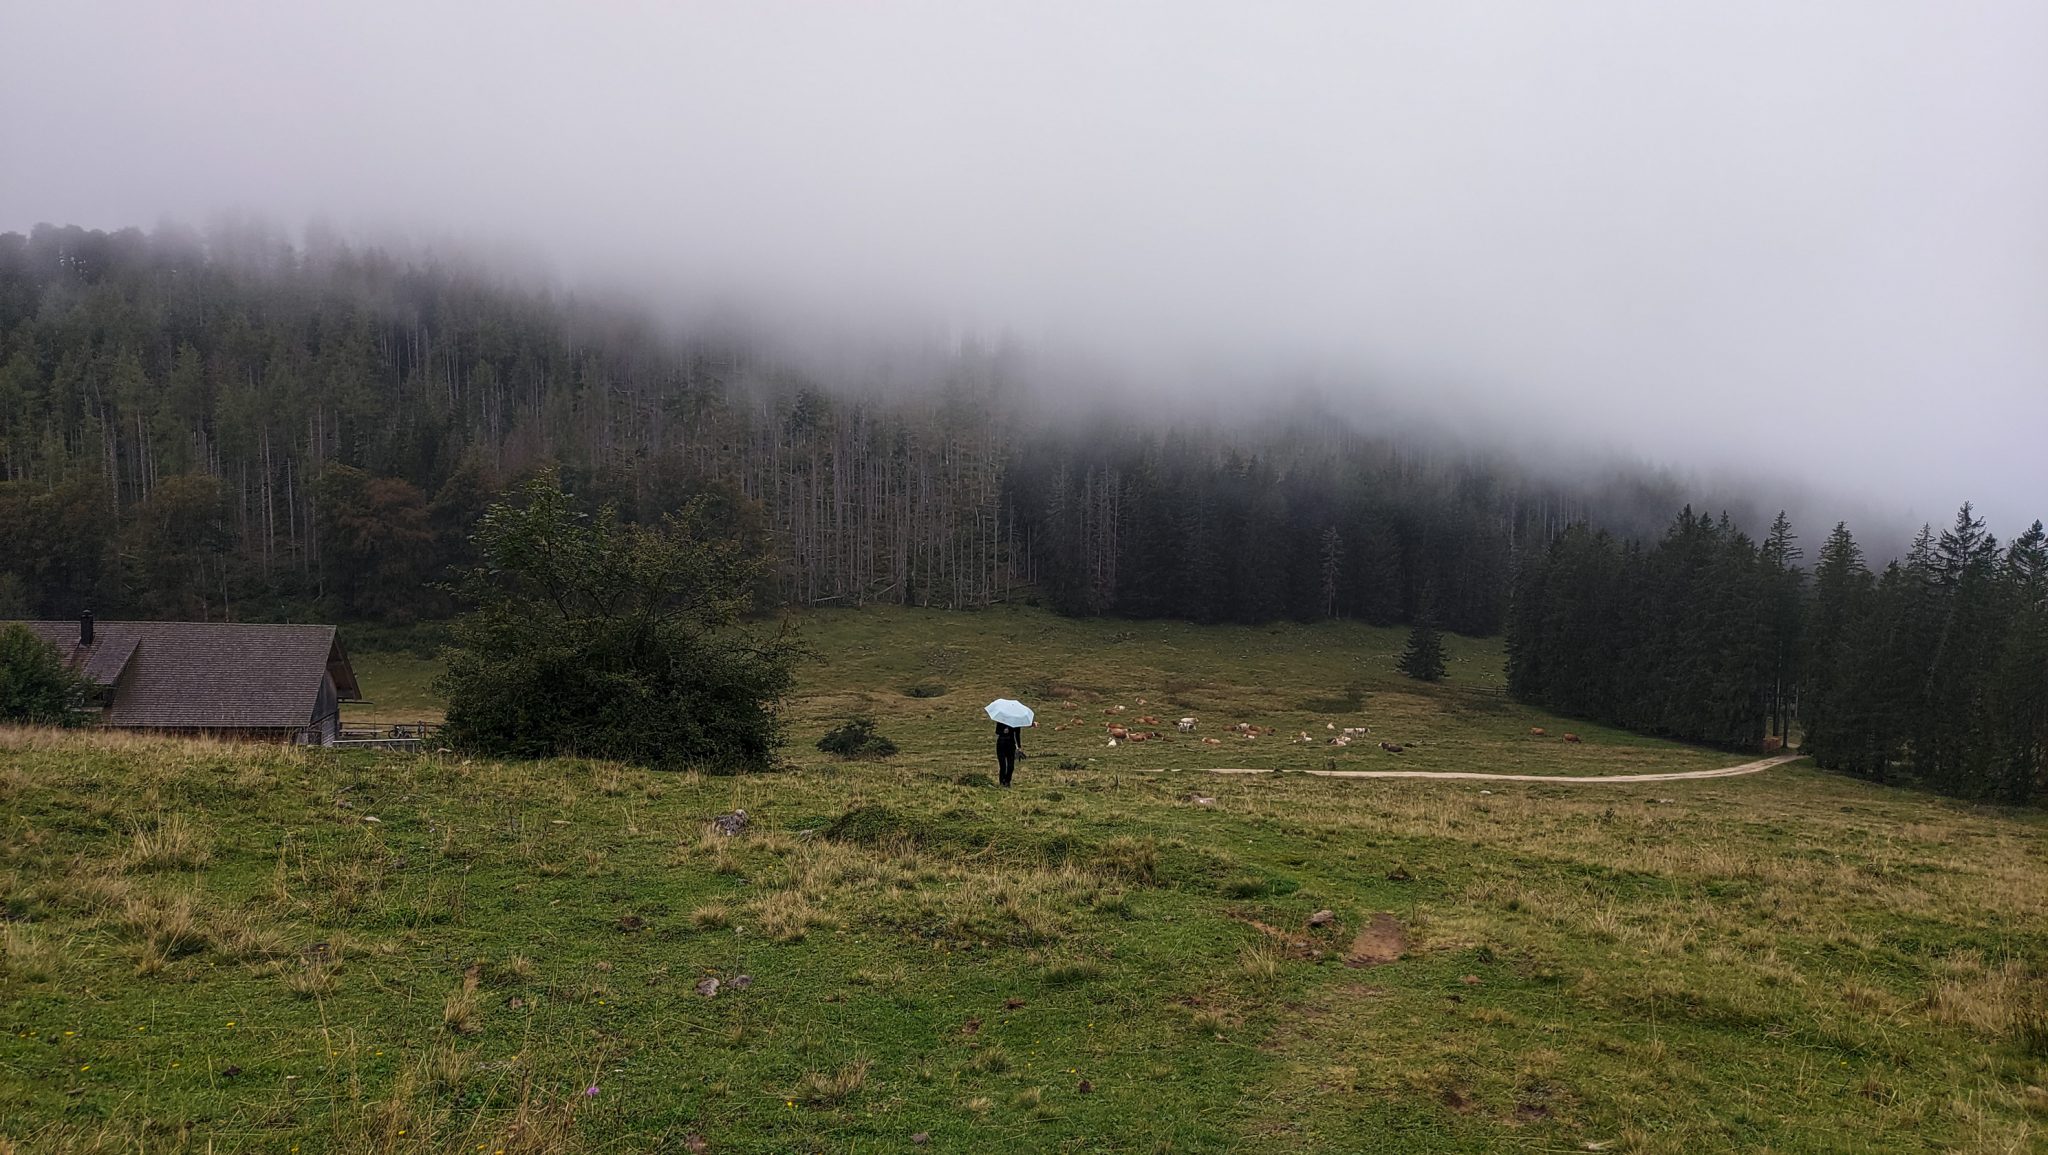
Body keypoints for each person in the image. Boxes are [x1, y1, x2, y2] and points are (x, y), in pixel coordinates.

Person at [995, 720, 1022, 787]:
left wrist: (1019, 747)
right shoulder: (1001, 721)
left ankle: (1007, 781)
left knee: (1011, 766)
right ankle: (1002, 782)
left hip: (1011, 744)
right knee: (1003, 766)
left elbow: (1017, 734)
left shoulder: (1016, 722)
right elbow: (997, 731)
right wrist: (1003, 731)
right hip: (1001, 743)